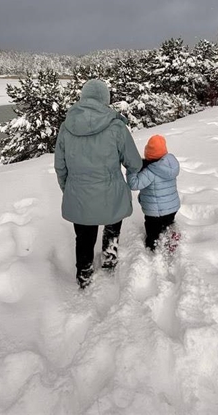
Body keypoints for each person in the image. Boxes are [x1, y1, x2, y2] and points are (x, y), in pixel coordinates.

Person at [54, 79, 142, 289]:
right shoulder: (116, 126)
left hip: (79, 195)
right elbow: (134, 163)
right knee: (112, 228)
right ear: (105, 99)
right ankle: (109, 260)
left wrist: (70, 189)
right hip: (111, 194)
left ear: (83, 98)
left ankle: (84, 275)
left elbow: (60, 166)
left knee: (84, 237)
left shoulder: (66, 127)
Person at [127, 135, 181, 252]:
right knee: (167, 222)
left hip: (155, 212)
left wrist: (131, 170)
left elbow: (134, 184)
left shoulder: (150, 172)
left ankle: (153, 246)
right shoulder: (170, 165)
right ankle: (170, 234)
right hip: (172, 207)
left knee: (153, 230)